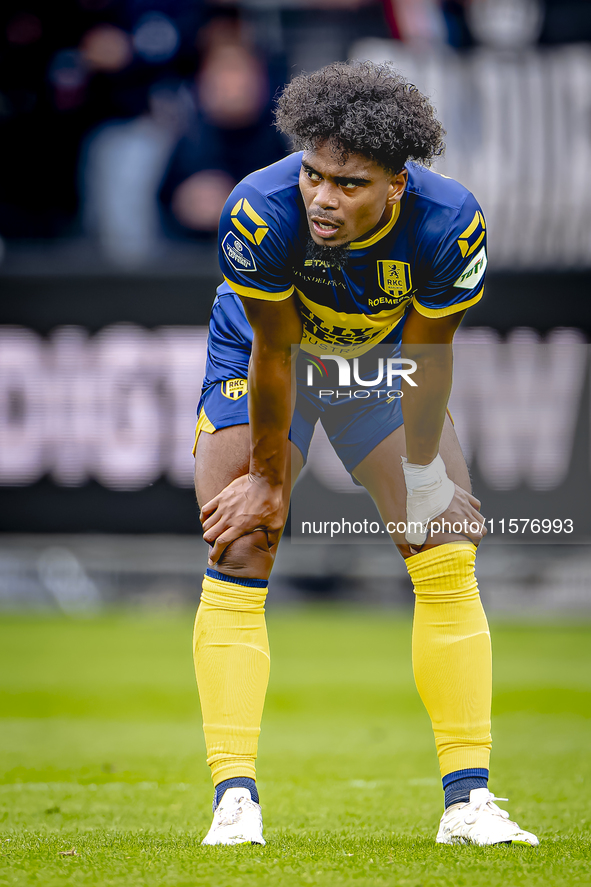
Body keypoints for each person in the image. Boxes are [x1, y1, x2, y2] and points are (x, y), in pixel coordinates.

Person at [192, 61, 538, 848]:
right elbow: (274, 352)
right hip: (263, 354)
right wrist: (271, 484)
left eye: (348, 184)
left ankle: (468, 803)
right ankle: (234, 800)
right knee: (242, 538)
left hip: (377, 365)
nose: (321, 196)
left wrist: (423, 477)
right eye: (314, 174)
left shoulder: (451, 224)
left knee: (444, 542)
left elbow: (427, 357)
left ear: (396, 184)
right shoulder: (257, 209)